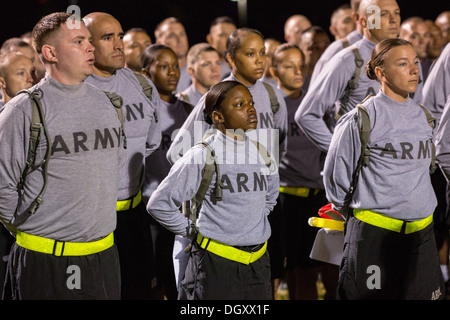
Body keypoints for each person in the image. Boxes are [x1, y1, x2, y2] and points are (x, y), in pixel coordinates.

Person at [0, 12, 126, 300]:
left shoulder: (109, 104)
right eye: (79, 41)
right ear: (50, 52)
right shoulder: (23, 110)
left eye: (90, 40)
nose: (91, 47)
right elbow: (2, 186)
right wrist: (33, 231)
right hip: (47, 260)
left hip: (103, 255)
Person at [167, 28, 288, 295]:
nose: (259, 60)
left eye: (262, 53)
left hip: (256, 211)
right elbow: (177, 151)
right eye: (250, 53)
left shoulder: (272, 95)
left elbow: (279, 150)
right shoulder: (219, 95)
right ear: (231, 59)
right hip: (218, 232)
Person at [324, 38, 444, 300]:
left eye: (414, 62)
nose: (414, 70)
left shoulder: (424, 116)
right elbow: (336, 181)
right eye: (402, 64)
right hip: (374, 239)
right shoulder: (361, 117)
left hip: (421, 238)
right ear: (380, 72)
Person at [147, 80, 279, 300]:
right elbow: (159, 204)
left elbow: (270, 197)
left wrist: (249, 222)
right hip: (215, 264)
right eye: (239, 104)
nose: (250, 109)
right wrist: (193, 232)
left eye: (251, 103)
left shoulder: (262, 152)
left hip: (258, 262)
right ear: (218, 117)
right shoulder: (201, 154)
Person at [83, 12, 162, 300]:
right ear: (87, 44)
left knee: (142, 291)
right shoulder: (76, 89)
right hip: (92, 218)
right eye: (107, 37)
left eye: (119, 36)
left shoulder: (141, 85)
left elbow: (151, 143)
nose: (119, 44)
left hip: (135, 213)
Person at [269, 43, 339, 300]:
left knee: (311, 273)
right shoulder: (270, 105)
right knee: (278, 274)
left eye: (301, 65)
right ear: (274, 70)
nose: (298, 71)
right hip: (284, 198)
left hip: (316, 197)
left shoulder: (315, 105)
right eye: (289, 66)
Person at [295, 0, 401, 153]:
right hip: (361, 170)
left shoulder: (406, 56)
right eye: (383, 14)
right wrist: (341, 152)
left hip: (396, 164)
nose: (393, 19)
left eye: (396, 13)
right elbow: (307, 114)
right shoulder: (347, 58)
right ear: (364, 21)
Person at [140, 44, 193, 299]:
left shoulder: (189, 110)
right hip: (148, 209)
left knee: (179, 282)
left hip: (180, 210)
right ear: (146, 72)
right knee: (152, 284)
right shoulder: (140, 111)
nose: (173, 72)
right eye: (163, 67)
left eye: (175, 66)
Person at [311, 0, 362, 85]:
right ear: (333, 29)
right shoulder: (332, 53)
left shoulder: (366, 49)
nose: (355, 24)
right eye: (348, 21)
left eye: (356, 19)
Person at [154, 17, 191, 92]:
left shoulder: (201, 69)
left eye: (182, 34)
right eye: (172, 36)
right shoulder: (155, 76)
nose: (179, 39)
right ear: (159, 43)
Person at [299, 26, 331, 90]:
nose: (323, 52)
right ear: (301, 53)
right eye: (315, 48)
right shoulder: (296, 88)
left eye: (326, 46)